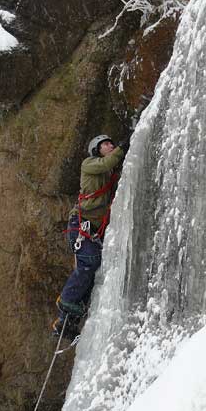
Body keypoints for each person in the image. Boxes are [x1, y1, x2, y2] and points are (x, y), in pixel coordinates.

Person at [52, 134, 129, 340]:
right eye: (106, 144)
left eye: (112, 142)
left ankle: (67, 321)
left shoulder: (109, 173)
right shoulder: (90, 164)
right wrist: (122, 147)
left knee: (93, 273)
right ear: (96, 149)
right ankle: (65, 301)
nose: (110, 145)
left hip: (94, 230)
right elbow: (108, 162)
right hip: (81, 226)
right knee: (89, 263)